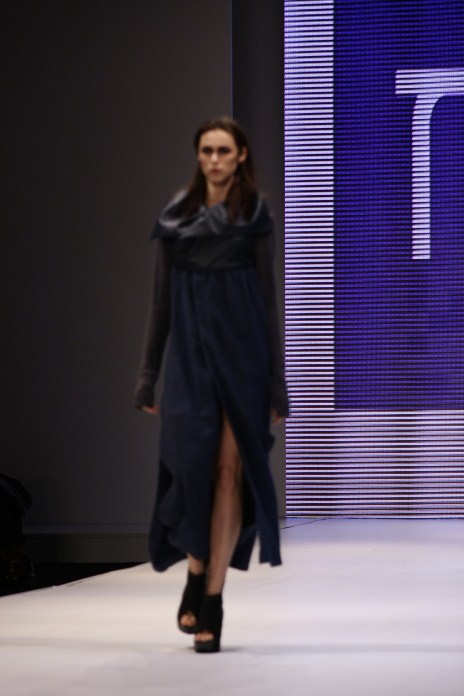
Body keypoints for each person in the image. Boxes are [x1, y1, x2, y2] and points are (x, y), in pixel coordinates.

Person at [134, 116, 289, 653]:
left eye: (224, 150)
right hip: (189, 362)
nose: (215, 159)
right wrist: (147, 375)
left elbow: (268, 303)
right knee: (191, 471)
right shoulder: (175, 217)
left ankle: (214, 601)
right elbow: (159, 303)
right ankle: (196, 570)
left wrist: (277, 383)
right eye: (207, 150)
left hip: (242, 362)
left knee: (228, 476)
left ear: (241, 155)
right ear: (198, 155)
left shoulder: (255, 216)